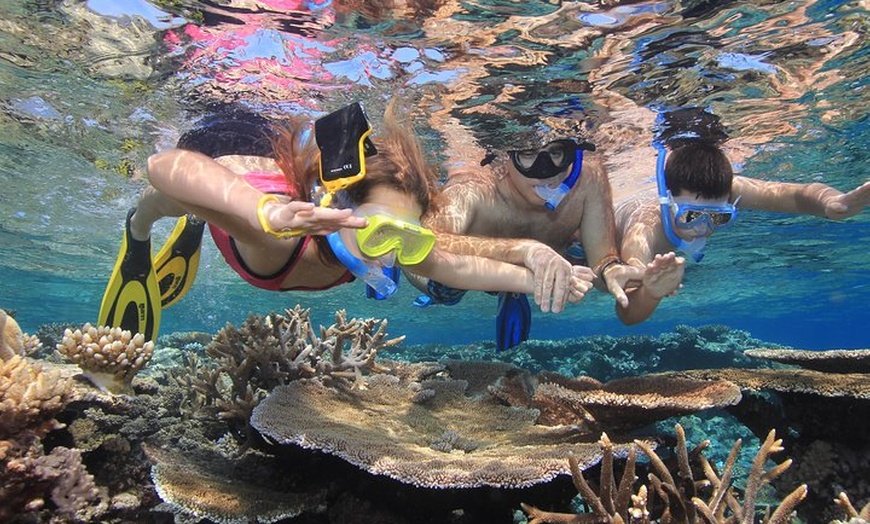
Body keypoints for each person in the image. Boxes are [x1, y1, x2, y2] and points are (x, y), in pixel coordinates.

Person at [98, 102, 596, 341]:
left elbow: (462, 268)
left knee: (201, 207)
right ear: (338, 214)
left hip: (281, 160)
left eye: (408, 236)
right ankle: (139, 231)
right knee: (169, 199)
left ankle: (198, 222)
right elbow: (166, 165)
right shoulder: (276, 236)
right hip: (223, 145)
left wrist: (543, 280)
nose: (389, 254)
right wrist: (262, 211)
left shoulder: (394, 243)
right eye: (378, 231)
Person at [406, 127, 645, 350]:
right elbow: (425, 241)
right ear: (503, 160)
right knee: (445, 286)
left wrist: (610, 269)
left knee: (578, 260)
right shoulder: (473, 188)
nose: (545, 170)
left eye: (556, 152)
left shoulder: (587, 178)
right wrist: (524, 250)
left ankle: (514, 293)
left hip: (554, 261)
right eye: (528, 154)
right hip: (470, 272)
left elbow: (601, 262)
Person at [614, 133, 870, 325]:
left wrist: (832, 202)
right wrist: (650, 293)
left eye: (719, 217)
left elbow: (796, 194)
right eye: (691, 216)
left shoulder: (728, 189)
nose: (704, 228)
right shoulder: (644, 227)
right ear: (667, 200)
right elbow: (626, 311)